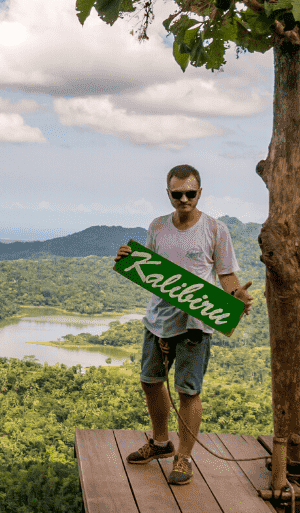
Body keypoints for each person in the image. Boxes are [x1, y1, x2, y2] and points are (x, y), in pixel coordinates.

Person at [114, 164, 253, 486]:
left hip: (196, 321)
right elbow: (152, 271)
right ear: (169, 194)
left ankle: (184, 457)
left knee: (188, 390)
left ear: (200, 192)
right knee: (150, 381)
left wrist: (236, 298)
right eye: (178, 194)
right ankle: (161, 443)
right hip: (158, 319)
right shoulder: (158, 226)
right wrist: (127, 259)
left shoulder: (216, 230)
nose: (184, 199)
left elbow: (226, 274)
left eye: (191, 193)